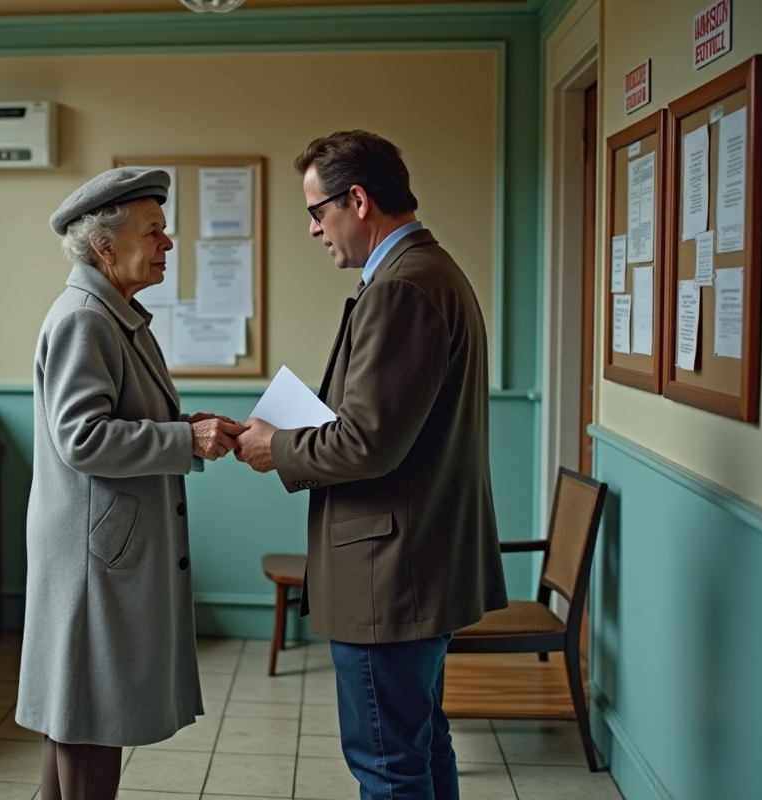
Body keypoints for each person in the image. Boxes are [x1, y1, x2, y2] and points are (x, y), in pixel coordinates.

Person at [234, 131, 508, 800]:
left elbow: (368, 443)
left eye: (315, 211)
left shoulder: (403, 287)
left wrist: (278, 448)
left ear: (356, 200)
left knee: (387, 766)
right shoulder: (427, 272)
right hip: (418, 562)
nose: (311, 229)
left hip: (391, 575)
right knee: (420, 745)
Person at [16, 167, 245, 800]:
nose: (168, 244)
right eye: (155, 232)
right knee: (90, 722)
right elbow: (83, 439)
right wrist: (183, 440)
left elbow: (113, 419)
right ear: (105, 246)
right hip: (92, 559)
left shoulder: (111, 314)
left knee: (79, 716)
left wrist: (184, 425)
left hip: (97, 551)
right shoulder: (85, 318)